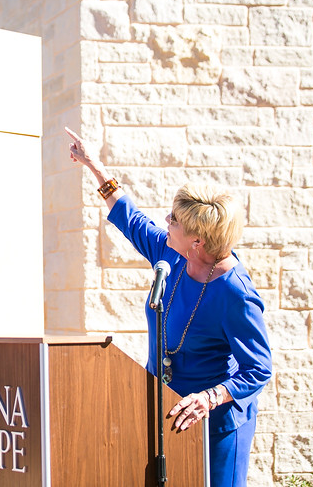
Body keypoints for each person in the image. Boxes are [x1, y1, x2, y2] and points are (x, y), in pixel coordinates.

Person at [65, 127, 271, 486]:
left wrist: (210, 398)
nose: (166, 223)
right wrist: (93, 163)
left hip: (216, 425)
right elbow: (131, 218)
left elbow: (259, 368)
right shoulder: (172, 254)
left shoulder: (235, 293)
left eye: (173, 221)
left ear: (197, 240)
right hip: (164, 410)